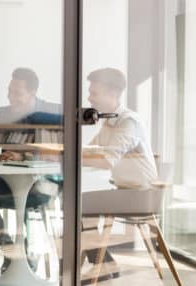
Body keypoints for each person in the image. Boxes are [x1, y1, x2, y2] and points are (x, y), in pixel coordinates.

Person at [0, 67, 62, 273]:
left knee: (23, 203)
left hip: (40, 180)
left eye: (17, 93)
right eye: (9, 91)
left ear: (32, 93)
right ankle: (11, 249)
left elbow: (57, 152)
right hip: (7, 179)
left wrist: (24, 155)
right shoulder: (3, 113)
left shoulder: (51, 112)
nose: (10, 97)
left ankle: (27, 255)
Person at [82, 68, 158, 280]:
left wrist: (66, 157)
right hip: (126, 190)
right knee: (79, 205)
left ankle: (103, 266)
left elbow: (106, 161)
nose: (89, 98)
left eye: (94, 93)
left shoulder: (128, 122)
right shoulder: (110, 121)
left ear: (112, 93)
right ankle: (104, 264)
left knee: (79, 206)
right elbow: (90, 150)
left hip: (142, 195)